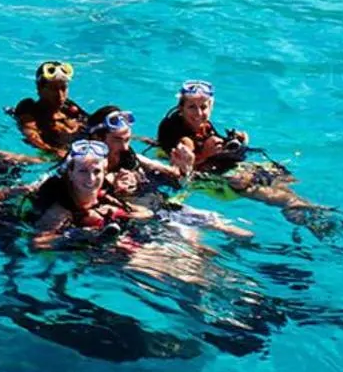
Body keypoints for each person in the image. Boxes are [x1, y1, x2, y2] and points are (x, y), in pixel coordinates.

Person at [154, 80, 326, 223]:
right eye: (192, 107)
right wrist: (205, 154)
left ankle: (306, 207)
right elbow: (181, 169)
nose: (199, 113)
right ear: (181, 108)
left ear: (211, 107)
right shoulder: (176, 131)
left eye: (204, 107)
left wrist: (238, 142)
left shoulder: (203, 125)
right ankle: (300, 214)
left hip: (219, 165)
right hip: (209, 176)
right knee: (269, 192)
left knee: (284, 179)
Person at [89, 105, 253, 240]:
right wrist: (116, 191)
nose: (125, 147)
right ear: (97, 138)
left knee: (238, 232)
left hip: (163, 206)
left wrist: (185, 166)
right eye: (117, 140)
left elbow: (176, 178)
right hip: (144, 219)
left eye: (127, 139)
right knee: (192, 240)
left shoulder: (131, 157)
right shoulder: (90, 170)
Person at [26, 140, 145, 247]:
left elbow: (146, 213)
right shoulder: (60, 211)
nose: (91, 178)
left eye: (97, 171)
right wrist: (83, 236)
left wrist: (123, 212)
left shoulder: (105, 197)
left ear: (105, 172)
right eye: (83, 171)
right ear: (70, 173)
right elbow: (38, 243)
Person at [12, 59, 89, 154]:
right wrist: (54, 152)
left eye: (63, 88)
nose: (60, 95)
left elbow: (94, 123)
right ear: (39, 89)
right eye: (53, 89)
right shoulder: (29, 109)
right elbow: (32, 136)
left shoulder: (69, 107)